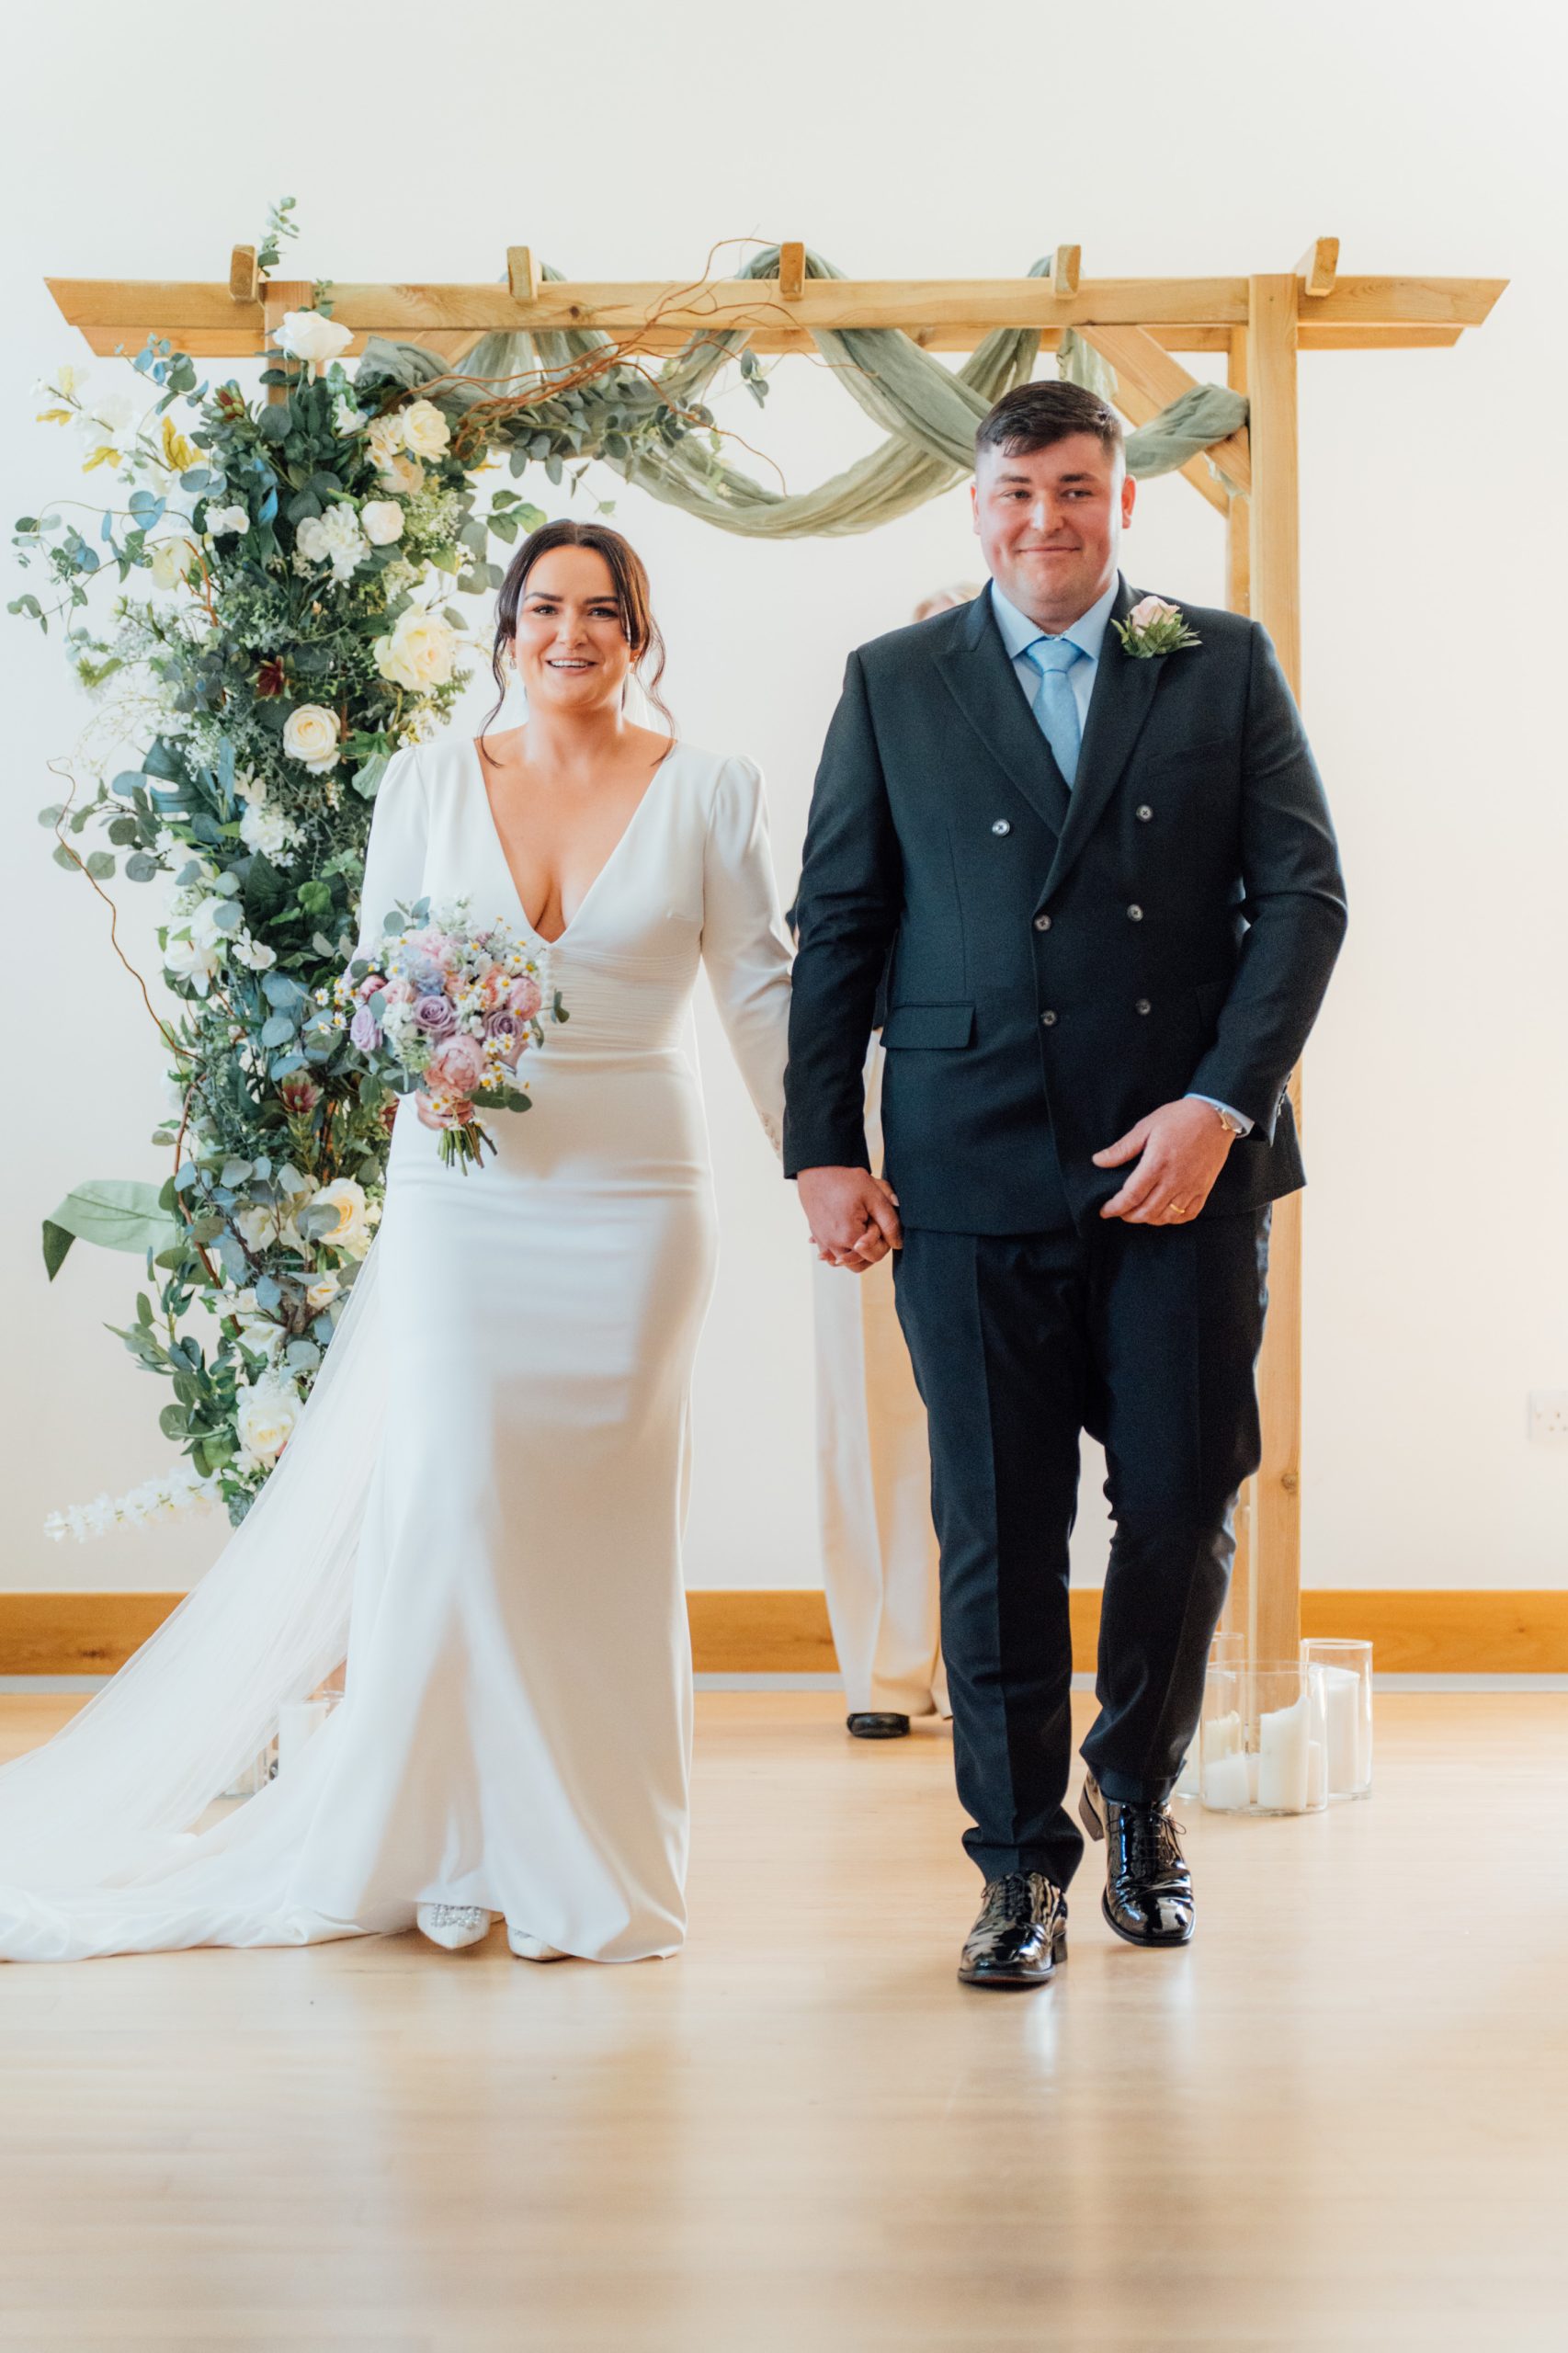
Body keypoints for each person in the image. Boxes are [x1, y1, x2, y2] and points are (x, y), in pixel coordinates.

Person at [0, 519, 792, 1966]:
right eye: (544, 608)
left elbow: (758, 995)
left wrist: (826, 1167)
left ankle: (585, 1855)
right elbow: (381, 978)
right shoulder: (429, 783)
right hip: (462, 1196)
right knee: (456, 1508)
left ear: (639, 635)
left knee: (605, 1531)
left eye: (601, 611)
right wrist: (425, 1054)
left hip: (636, 1203)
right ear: (505, 631)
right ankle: (444, 1836)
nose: (571, 634)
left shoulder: (711, 791)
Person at [786, 380, 1346, 1988]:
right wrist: (826, 1144)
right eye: (1020, 491)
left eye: (1080, 491)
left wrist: (1220, 1107)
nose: (1049, 520)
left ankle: (1142, 1796)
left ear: (1123, 501)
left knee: (1179, 1501)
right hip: (965, 1170)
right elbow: (841, 928)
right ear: (977, 505)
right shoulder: (892, 680)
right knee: (996, 1532)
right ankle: (1020, 1865)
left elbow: (1302, 899)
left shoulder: (1217, 659)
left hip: (1181, 1167)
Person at [801, 585, 977, 1740]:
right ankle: (884, 1661)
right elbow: (832, 926)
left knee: (1001, 1410)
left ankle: (987, 1660)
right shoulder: (881, 732)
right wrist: (829, 1144)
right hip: (885, 1083)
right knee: (875, 1401)